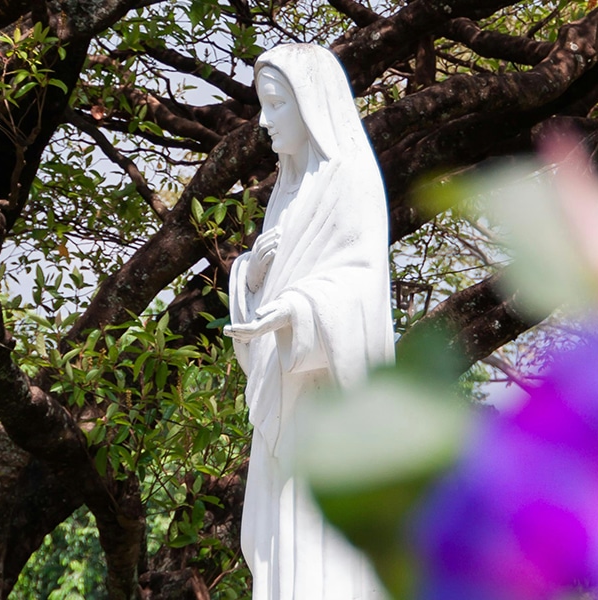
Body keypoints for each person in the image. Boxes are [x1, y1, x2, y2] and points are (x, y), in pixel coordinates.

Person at [223, 43, 393, 600]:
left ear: (312, 105)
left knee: (320, 547)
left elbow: (361, 284)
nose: (265, 121)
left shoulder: (351, 180)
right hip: (286, 404)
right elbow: (268, 278)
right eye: (263, 105)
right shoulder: (285, 193)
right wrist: (250, 280)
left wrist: (298, 310)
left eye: (276, 105)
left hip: (326, 401)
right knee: (282, 545)